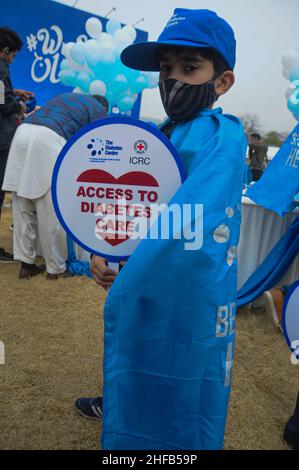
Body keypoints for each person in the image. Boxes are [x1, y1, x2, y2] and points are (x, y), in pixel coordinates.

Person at [76, 9, 247, 450]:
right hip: (144, 286)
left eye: (190, 68)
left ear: (222, 81)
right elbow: (131, 207)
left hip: (188, 297)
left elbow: (189, 222)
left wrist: (131, 269)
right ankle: (120, 408)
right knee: (136, 360)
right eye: (166, 68)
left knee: (183, 386)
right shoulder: (158, 134)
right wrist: (107, 249)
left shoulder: (220, 136)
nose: (173, 79)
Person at [2, 93, 108, 279]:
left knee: (23, 203)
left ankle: (26, 266)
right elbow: (94, 147)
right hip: (49, 137)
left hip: (23, 132)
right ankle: (56, 269)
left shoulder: (69, 98)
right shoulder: (99, 110)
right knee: (50, 210)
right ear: (104, 107)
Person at [0, 26, 33, 263]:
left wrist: (14, 92)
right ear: (5, 51)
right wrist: (19, 106)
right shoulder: (1, 70)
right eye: (13, 55)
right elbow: (2, 105)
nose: (13, 60)